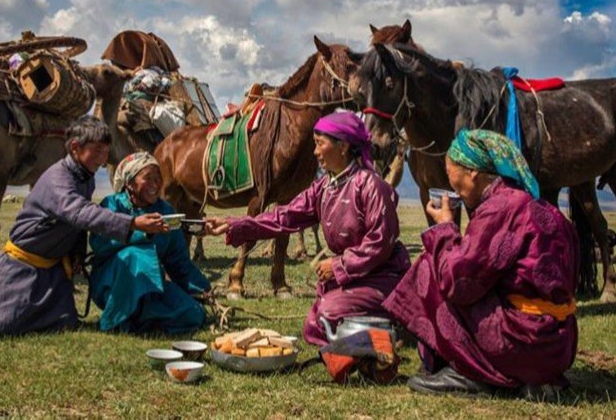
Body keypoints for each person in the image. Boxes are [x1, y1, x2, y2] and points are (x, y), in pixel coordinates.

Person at [383, 129, 579, 397]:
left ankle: (469, 371)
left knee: (430, 267)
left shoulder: (499, 209)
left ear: (473, 172)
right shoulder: (539, 206)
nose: (454, 190)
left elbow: (457, 283)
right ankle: (532, 378)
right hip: (560, 345)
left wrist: (445, 228)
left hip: (524, 345)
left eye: (454, 179)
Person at [0, 116, 167, 342]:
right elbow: (79, 212)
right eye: (97, 150)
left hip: (52, 272)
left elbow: (77, 224)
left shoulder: (86, 177)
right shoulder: (59, 179)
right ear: (76, 148)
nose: (104, 157)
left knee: (63, 323)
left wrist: (77, 252)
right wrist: (132, 223)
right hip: (22, 266)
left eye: (106, 150)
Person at [205, 110, 410, 346]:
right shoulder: (324, 187)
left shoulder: (371, 185)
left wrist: (338, 265)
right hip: (353, 277)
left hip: (382, 277)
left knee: (328, 316)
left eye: (320, 144)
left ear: (343, 147)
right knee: (315, 324)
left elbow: (380, 243)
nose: (315, 152)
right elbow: (283, 217)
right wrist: (235, 224)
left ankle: (395, 319)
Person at [89, 152, 211, 333]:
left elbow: (178, 260)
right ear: (129, 183)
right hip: (113, 282)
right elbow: (99, 243)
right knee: (136, 256)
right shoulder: (113, 205)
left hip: (151, 284)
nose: (155, 184)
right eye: (148, 178)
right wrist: (141, 233)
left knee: (195, 313)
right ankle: (117, 319)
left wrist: (202, 289)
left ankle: (139, 322)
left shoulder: (165, 211)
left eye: (158, 177)